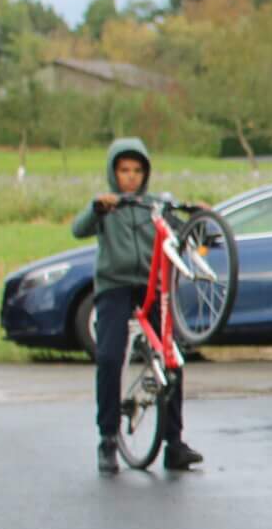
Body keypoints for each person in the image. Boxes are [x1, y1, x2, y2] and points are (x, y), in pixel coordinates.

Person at [72, 137, 203, 475]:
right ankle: (107, 439)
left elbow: (185, 234)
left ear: (145, 174)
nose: (130, 176)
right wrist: (97, 207)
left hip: (150, 285)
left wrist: (200, 220)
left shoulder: (154, 206)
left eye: (137, 171)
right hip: (114, 285)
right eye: (124, 170)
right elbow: (78, 228)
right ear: (113, 173)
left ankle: (174, 443)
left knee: (171, 357)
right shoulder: (107, 206)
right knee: (109, 357)